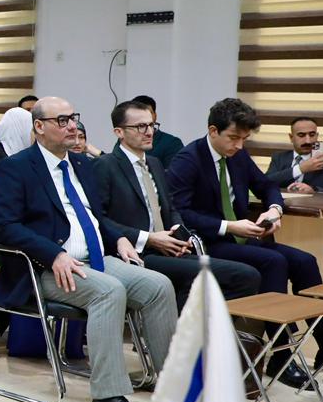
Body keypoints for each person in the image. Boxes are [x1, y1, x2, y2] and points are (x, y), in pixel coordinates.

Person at [0, 96, 178, 402]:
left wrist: (118, 237)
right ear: (39, 127)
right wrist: (53, 254)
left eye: (73, 118)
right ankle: (107, 400)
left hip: (96, 259)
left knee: (158, 285)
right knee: (109, 292)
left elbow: (96, 216)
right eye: (62, 120)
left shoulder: (81, 165)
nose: (72, 126)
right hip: (45, 268)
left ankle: (174, 388)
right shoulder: (16, 167)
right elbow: (5, 226)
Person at [166, 98, 323, 387]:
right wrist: (228, 225)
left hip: (242, 236)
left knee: (305, 261)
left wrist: (274, 209)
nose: (239, 145)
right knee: (273, 261)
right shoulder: (188, 160)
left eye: (244, 139)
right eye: (233, 138)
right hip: (209, 240)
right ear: (213, 131)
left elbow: (266, 186)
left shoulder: (237, 155)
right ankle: (280, 356)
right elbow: (179, 212)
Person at [92, 101, 260, 310]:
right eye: (140, 127)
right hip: (137, 252)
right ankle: (184, 328)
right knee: (241, 276)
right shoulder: (105, 165)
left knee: (245, 275)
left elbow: (171, 208)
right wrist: (149, 238)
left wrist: (181, 233)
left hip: (168, 249)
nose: (149, 132)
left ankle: (183, 327)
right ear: (119, 132)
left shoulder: (154, 163)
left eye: (152, 125)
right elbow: (99, 219)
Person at [266, 117, 323, 195]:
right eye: (301, 135)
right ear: (291, 137)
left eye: (312, 135)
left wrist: (313, 190)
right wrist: (300, 169)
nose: (308, 141)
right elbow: (265, 182)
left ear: (317, 136)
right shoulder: (279, 158)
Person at [127, 95, 183, 165]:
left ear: (155, 115)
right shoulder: (125, 140)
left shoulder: (172, 143)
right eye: (138, 114)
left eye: (148, 113)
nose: (144, 118)